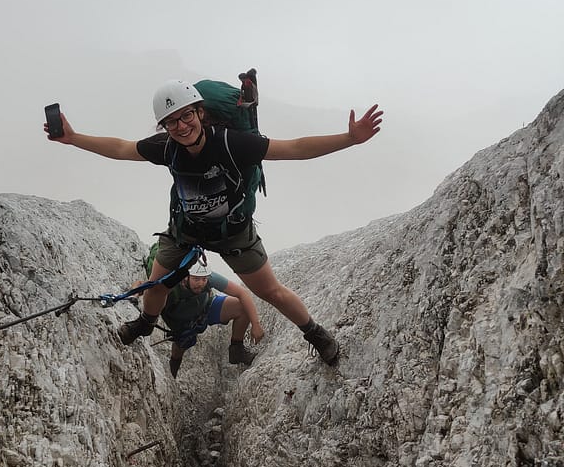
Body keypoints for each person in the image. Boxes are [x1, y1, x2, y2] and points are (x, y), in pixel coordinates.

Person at [44, 79, 383, 364]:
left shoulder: (230, 143)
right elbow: (122, 148)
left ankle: (315, 333)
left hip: (233, 232)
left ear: (200, 113)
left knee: (272, 292)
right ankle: (146, 322)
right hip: (185, 230)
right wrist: (74, 138)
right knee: (158, 282)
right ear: (164, 127)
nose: (181, 126)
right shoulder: (167, 148)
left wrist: (348, 139)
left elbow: (292, 148)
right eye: (171, 122)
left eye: (186, 115)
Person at [155, 259, 264, 377]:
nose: (201, 283)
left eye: (204, 279)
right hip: (182, 321)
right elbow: (147, 291)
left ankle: (237, 350)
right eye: (196, 279)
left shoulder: (209, 278)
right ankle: (173, 371)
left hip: (205, 309)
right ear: (185, 277)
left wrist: (256, 324)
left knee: (241, 307)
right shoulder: (171, 284)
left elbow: (242, 294)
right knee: (181, 345)